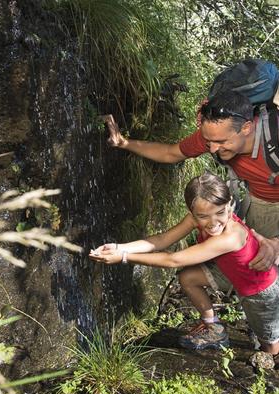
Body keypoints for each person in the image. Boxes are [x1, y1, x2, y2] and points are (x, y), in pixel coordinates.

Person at [89, 172, 279, 353]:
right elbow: (163, 240)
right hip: (232, 274)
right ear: (192, 212)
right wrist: (119, 247)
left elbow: (174, 259)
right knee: (188, 278)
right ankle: (214, 329)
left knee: (269, 344)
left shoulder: (230, 236)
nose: (213, 222)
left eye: (220, 213)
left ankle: (268, 365)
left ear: (229, 204)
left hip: (259, 289)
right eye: (203, 216)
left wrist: (124, 257)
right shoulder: (196, 218)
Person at [103, 90, 279, 273]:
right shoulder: (214, 135)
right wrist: (123, 143)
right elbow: (170, 153)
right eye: (209, 141)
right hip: (261, 202)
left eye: (220, 142)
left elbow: (174, 260)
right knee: (260, 265)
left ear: (246, 128)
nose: (213, 149)